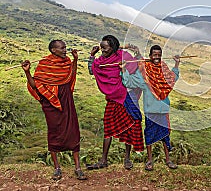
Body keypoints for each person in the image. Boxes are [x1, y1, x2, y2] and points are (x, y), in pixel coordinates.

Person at [21, 40, 87, 180]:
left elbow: (71, 75)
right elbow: (35, 85)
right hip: (50, 102)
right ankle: (57, 168)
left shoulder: (67, 61)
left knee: (73, 131)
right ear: (53, 50)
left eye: (65, 48)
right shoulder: (44, 64)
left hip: (66, 99)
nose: (65, 50)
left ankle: (78, 168)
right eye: (62, 48)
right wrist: (27, 72)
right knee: (54, 132)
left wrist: (75, 60)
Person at [86, 35, 144, 170]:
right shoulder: (100, 61)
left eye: (105, 48)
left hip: (127, 96)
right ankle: (103, 160)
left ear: (112, 47)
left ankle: (127, 159)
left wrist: (133, 57)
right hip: (113, 98)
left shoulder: (123, 56)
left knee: (130, 125)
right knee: (108, 127)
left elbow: (137, 65)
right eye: (101, 48)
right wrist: (91, 56)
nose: (102, 51)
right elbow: (91, 70)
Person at [121, 45, 180, 171]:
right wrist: (124, 70)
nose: (157, 57)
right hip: (150, 109)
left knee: (165, 136)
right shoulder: (144, 72)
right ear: (150, 56)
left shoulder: (164, 69)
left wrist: (176, 65)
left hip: (163, 108)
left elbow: (173, 78)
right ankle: (149, 160)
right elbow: (129, 82)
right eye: (154, 55)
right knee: (149, 135)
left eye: (159, 55)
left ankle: (168, 160)